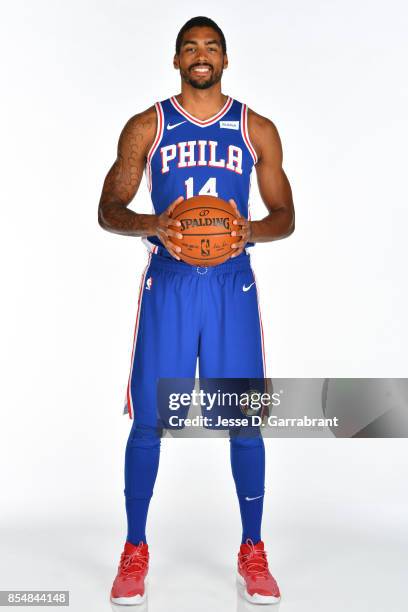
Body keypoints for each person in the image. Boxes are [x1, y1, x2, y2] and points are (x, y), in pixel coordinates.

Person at [98, 15, 294, 606]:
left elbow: (285, 215)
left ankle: (252, 549)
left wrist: (248, 231)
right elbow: (109, 207)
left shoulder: (255, 127)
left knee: (243, 418)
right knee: (151, 419)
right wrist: (155, 223)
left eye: (211, 47)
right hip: (172, 281)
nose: (201, 55)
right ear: (176, 59)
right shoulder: (147, 126)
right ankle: (135, 549)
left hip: (232, 282)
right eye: (190, 48)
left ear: (226, 60)